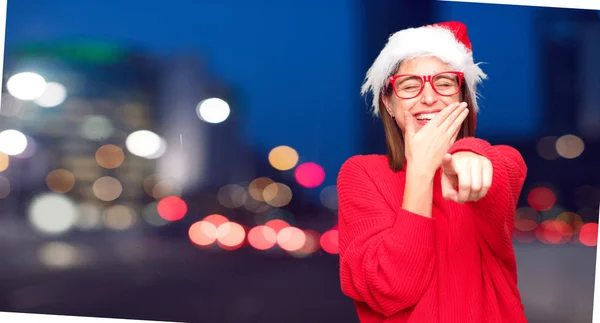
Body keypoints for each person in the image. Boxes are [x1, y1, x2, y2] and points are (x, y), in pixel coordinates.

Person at [337, 21, 528, 323]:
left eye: (444, 83)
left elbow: (503, 168)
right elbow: (388, 289)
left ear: (463, 97)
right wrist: (421, 172)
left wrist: (471, 154)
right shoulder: (361, 174)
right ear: (388, 102)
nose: (428, 98)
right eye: (410, 85)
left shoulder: (497, 163)